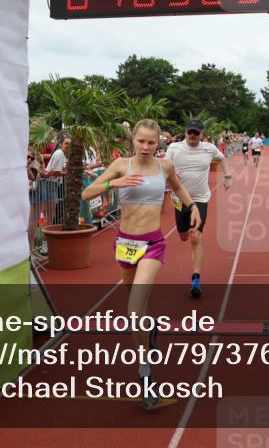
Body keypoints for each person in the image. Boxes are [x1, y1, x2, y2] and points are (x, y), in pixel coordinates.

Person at [80, 119, 199, 409]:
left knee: (133, 311)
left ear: (159, 143)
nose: (146, 147)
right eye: (141, 141)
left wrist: (193, 207)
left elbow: (179, 190)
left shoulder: (165, 166)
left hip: (152, 244)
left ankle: (145, 375)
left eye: (151, 142)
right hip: (124, 245)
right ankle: (150, 329)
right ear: (132, 140)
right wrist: (113, 183)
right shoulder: (121, 165)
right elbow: (86, 193)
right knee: (140, 310)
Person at [164, 119, 231, 298]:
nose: (192, 136)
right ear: (185, 132)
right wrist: (170, 173)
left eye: (196, 133)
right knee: (184, 236)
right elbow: (164, 167)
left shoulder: (209, 148)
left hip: (200, 199)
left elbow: (222, 158)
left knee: (196, 238)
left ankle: (196, 278)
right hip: (180, 200)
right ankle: (185, 232)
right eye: (190, 132)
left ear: (201, 134)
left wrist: (228, 176)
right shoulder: (174, 148)